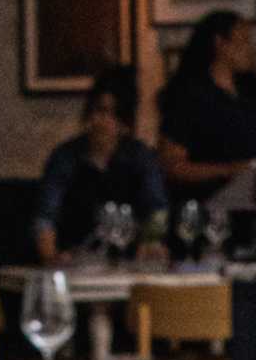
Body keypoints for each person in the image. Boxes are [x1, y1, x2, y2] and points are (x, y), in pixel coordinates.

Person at [31, 67, 167, 261]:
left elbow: (156, 210)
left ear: (123, 121)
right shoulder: (66, 157)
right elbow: (45, 216)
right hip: (76, 259)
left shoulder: (140, 158)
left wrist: (151, 242)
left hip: (127, 261)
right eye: (95, 110)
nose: (100, 120)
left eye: (109, 113)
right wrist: (52, 257)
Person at [155, 11, 256, 205]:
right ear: (220, 43)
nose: (251, 49)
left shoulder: (253, 93)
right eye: (244, 41)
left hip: (254, 203)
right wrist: (229, 169)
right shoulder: (190, 97)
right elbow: (172, 166)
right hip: (208, 206)